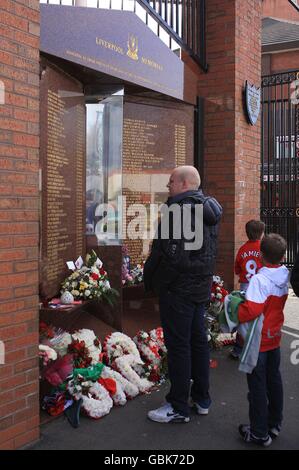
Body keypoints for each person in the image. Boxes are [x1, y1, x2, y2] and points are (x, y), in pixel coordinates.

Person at [143, 166, 222, 423]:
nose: (168, 186)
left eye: (171, 181)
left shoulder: (179, 211)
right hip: (199, 288)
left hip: (178, 291)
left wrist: (157, 283)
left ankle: (178, 406)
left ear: (185, 184)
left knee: (179, 347)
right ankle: (201, 398)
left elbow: (173, 257)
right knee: (198, 343)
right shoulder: (206, 209)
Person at [237, 233, 289, 447]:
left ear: (261, 255)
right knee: (274, 382)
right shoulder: (284, 273)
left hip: (258, 341)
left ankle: (259, 432)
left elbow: (251, 310)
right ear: (283, 256)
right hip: (274, 336)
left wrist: (233, 309)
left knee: (257, 386)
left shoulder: (260, 280)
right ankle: (274, 424)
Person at [231, 220, 265, 359]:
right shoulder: (263, 249)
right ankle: (259, 348)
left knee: (243, 317)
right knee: (260, 317)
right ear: (261, 234)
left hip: (245, 286)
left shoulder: (243, 249)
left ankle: (238, 349)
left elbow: (237, 269)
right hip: (260, 288)